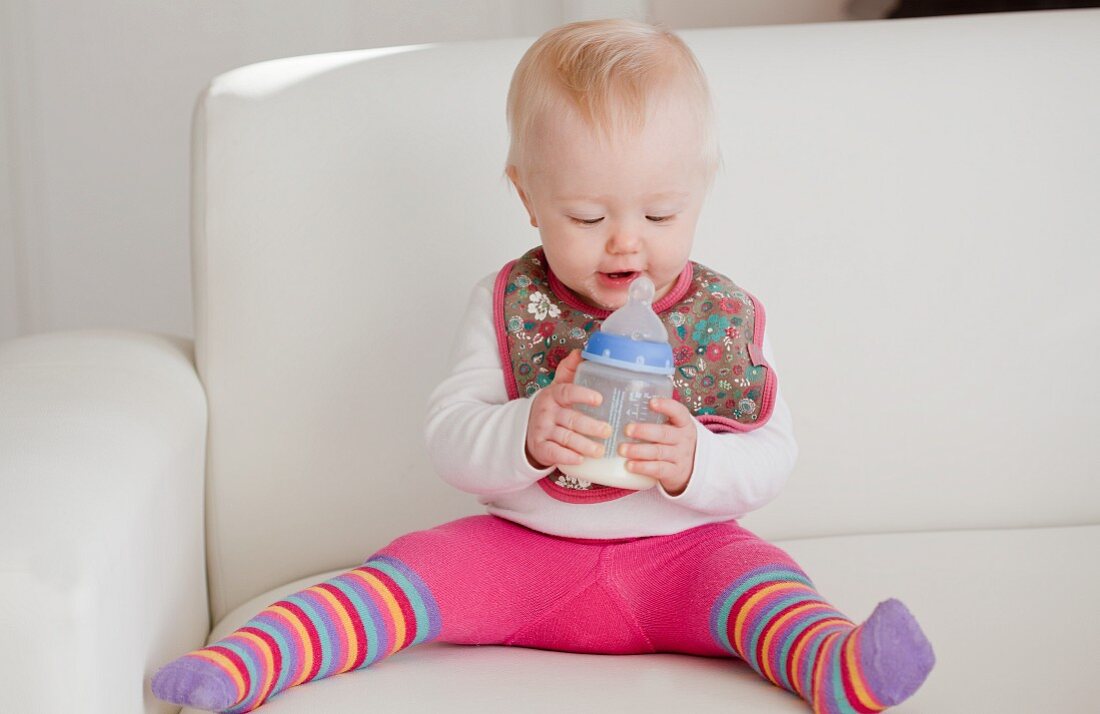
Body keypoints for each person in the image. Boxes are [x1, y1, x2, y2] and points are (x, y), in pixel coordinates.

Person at [151, 19, 935, 713]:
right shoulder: (509, 301)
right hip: (524, 555)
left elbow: (772, 457)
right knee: (408, 570)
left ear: (700, 192)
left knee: (764, 580)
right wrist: (528, 431)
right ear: (528, 196)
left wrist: (697, 461)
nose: (626, 241)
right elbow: (450, 436)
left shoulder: (721, 318)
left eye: (660, 214)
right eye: (588, 217)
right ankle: (249, 663)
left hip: (682, 560)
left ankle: (839, 665)